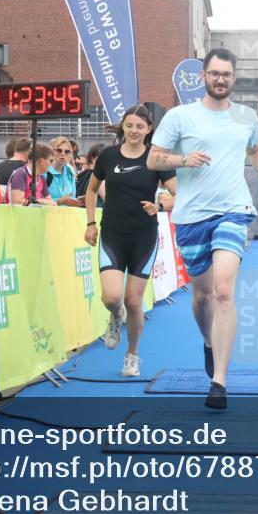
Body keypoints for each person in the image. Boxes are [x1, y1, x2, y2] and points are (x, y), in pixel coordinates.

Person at [148, 48, 258, 409]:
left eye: (227, 74)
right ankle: (208, 341)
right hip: (191, 217)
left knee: (224, 290)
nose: (220, 79)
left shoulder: (247, 117)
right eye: (214, 73)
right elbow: (153, 157)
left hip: (233, 211)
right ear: (204, 76)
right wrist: (183, 159)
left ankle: (219, 382)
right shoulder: (180, 117)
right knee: (203, 296)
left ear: (234, 78)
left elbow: (255, 149)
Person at [84, 105, 177, 377]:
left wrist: (161, 206)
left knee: (134, 302)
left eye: (140, 126)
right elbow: (91, 191)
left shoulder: (157, 159)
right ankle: (115, 316)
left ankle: (132, 354)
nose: (134, 130)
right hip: (112, 234)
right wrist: (90, 223)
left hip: (144, 238)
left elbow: (178, 196)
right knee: (113, 297)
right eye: (129, 125)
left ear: (149, 129)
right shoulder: (108, 155)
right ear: (123, 127)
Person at [45, 136, 82, 207]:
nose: (63, 153)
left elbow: (72, 196)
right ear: (52, 152)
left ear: (70, 154)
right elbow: (37, 200)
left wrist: (77, 201)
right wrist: (59, 201)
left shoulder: (70, 170)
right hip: (48, 215)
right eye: (59, 150)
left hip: (67, 215)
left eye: (67, 151)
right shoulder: (45, 171)